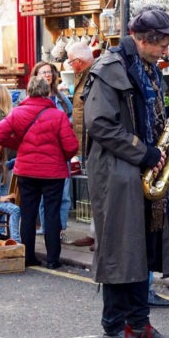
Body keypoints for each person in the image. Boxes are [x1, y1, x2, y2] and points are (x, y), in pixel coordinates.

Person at [83, 5, 169, 338]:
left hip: (140, 168)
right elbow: (100, 124)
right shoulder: (110, 68)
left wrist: (167, 120)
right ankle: (113, 328)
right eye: (162, 44)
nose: (166, 50)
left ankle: (138, 322)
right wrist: (144, 152)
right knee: (120, 250)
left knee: (143, 249)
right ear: (142, 40)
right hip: (118, 173)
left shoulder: (148, 68)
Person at [0, 76, 78, 269]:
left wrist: (19, 144)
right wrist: (57, 153)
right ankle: (53, 259)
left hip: (26, 171)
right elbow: (71, 147)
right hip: (53, 173)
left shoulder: (17, 113)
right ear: (47, 93)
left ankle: (28, 256)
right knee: (52, 214)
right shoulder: (58, 116)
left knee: (28, 214)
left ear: (28, 92)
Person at [33, 61, 74, 243]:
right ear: (36, 76)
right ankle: (47, 229)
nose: (47, 75)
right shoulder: (34, 99)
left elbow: (71, 118)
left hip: (60, 152)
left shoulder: (62, 99)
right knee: (44, 196)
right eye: (43, 73)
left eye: (49, 72)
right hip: (41, 154)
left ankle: (60, 230)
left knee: (64, 194)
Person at [65, 41, 97, 249]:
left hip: (93, 139)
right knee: (92, 189)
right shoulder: (82, 74)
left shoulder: (93, 75)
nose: (69, 65)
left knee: (97, 189)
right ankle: (94, 232)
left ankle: (99, 235)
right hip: (83, 140)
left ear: (78, 61)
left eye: (70, 61)